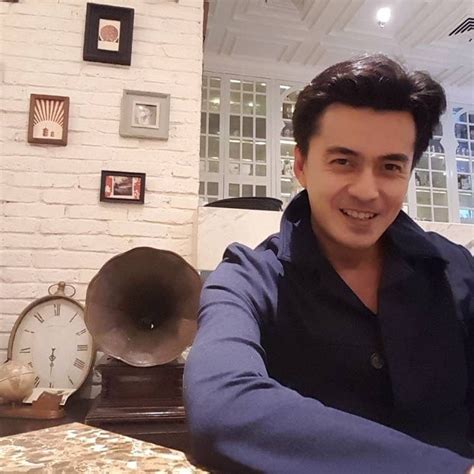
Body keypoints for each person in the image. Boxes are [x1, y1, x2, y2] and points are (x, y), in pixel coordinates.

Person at [183, 54, 474, 473]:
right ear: (301, 166)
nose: (367, 190)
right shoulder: (248, 279)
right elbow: (222, 410)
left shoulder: (454, 268)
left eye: (391, 166)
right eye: (343, 162)